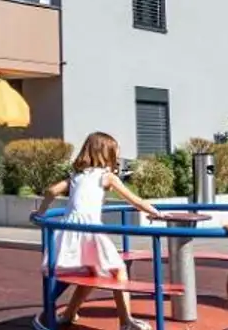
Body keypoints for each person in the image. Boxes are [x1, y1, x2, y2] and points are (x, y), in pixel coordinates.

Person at [31, 131, 168, 330]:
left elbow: (51, 191)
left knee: (90, 273)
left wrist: (41, 212)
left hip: (69, 231)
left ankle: (67, 313)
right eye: (115, 152)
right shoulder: (106, 177)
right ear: (106, 154)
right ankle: (126, 322)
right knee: (118, 270)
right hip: (90, 231)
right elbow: (134, 200)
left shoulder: (76, 176)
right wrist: (157, 213)